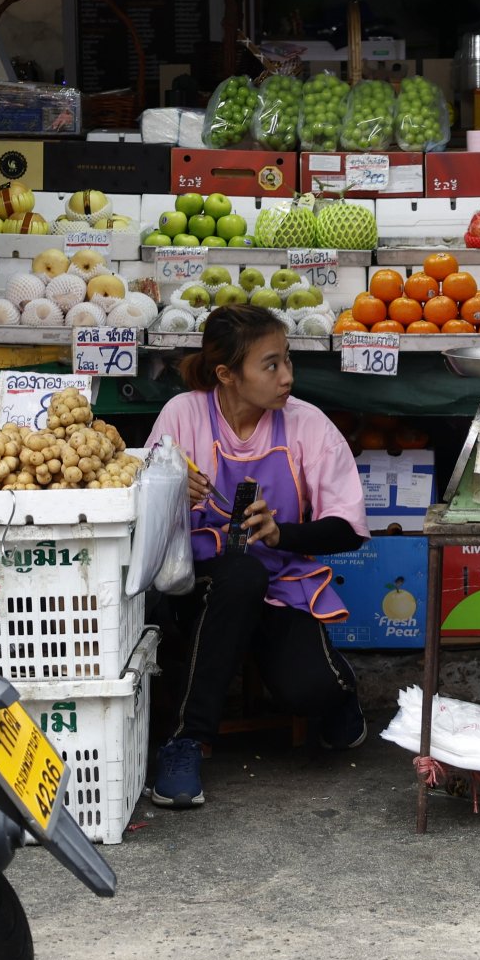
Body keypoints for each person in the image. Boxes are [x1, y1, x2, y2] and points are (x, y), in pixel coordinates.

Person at [145, 304, 368, 808]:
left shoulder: (307, 426)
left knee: (310, 691)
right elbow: (140, 509)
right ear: (226, 374)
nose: (286, 376)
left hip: (282, 584)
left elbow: (348, 529)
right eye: (271, 365)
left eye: (287, 360)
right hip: (199, 585)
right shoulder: (183, 416)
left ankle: (339, 691)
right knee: (239, 574)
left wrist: (280, 534)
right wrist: (169, 493)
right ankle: (186, 742)